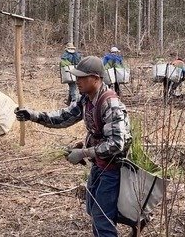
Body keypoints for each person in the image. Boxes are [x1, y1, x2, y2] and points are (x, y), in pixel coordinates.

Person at [15, 56, 132, 237]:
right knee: (93, 209)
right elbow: (64, 117)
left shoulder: (110, 103)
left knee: (102, 218)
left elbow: (117, 143)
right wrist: (33, 115)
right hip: (99, 165)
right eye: (76, 76)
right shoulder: (86, 99)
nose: (77, 81)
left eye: (81, 77)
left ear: (96, 78)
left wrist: (83, 152)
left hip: (113, 168)